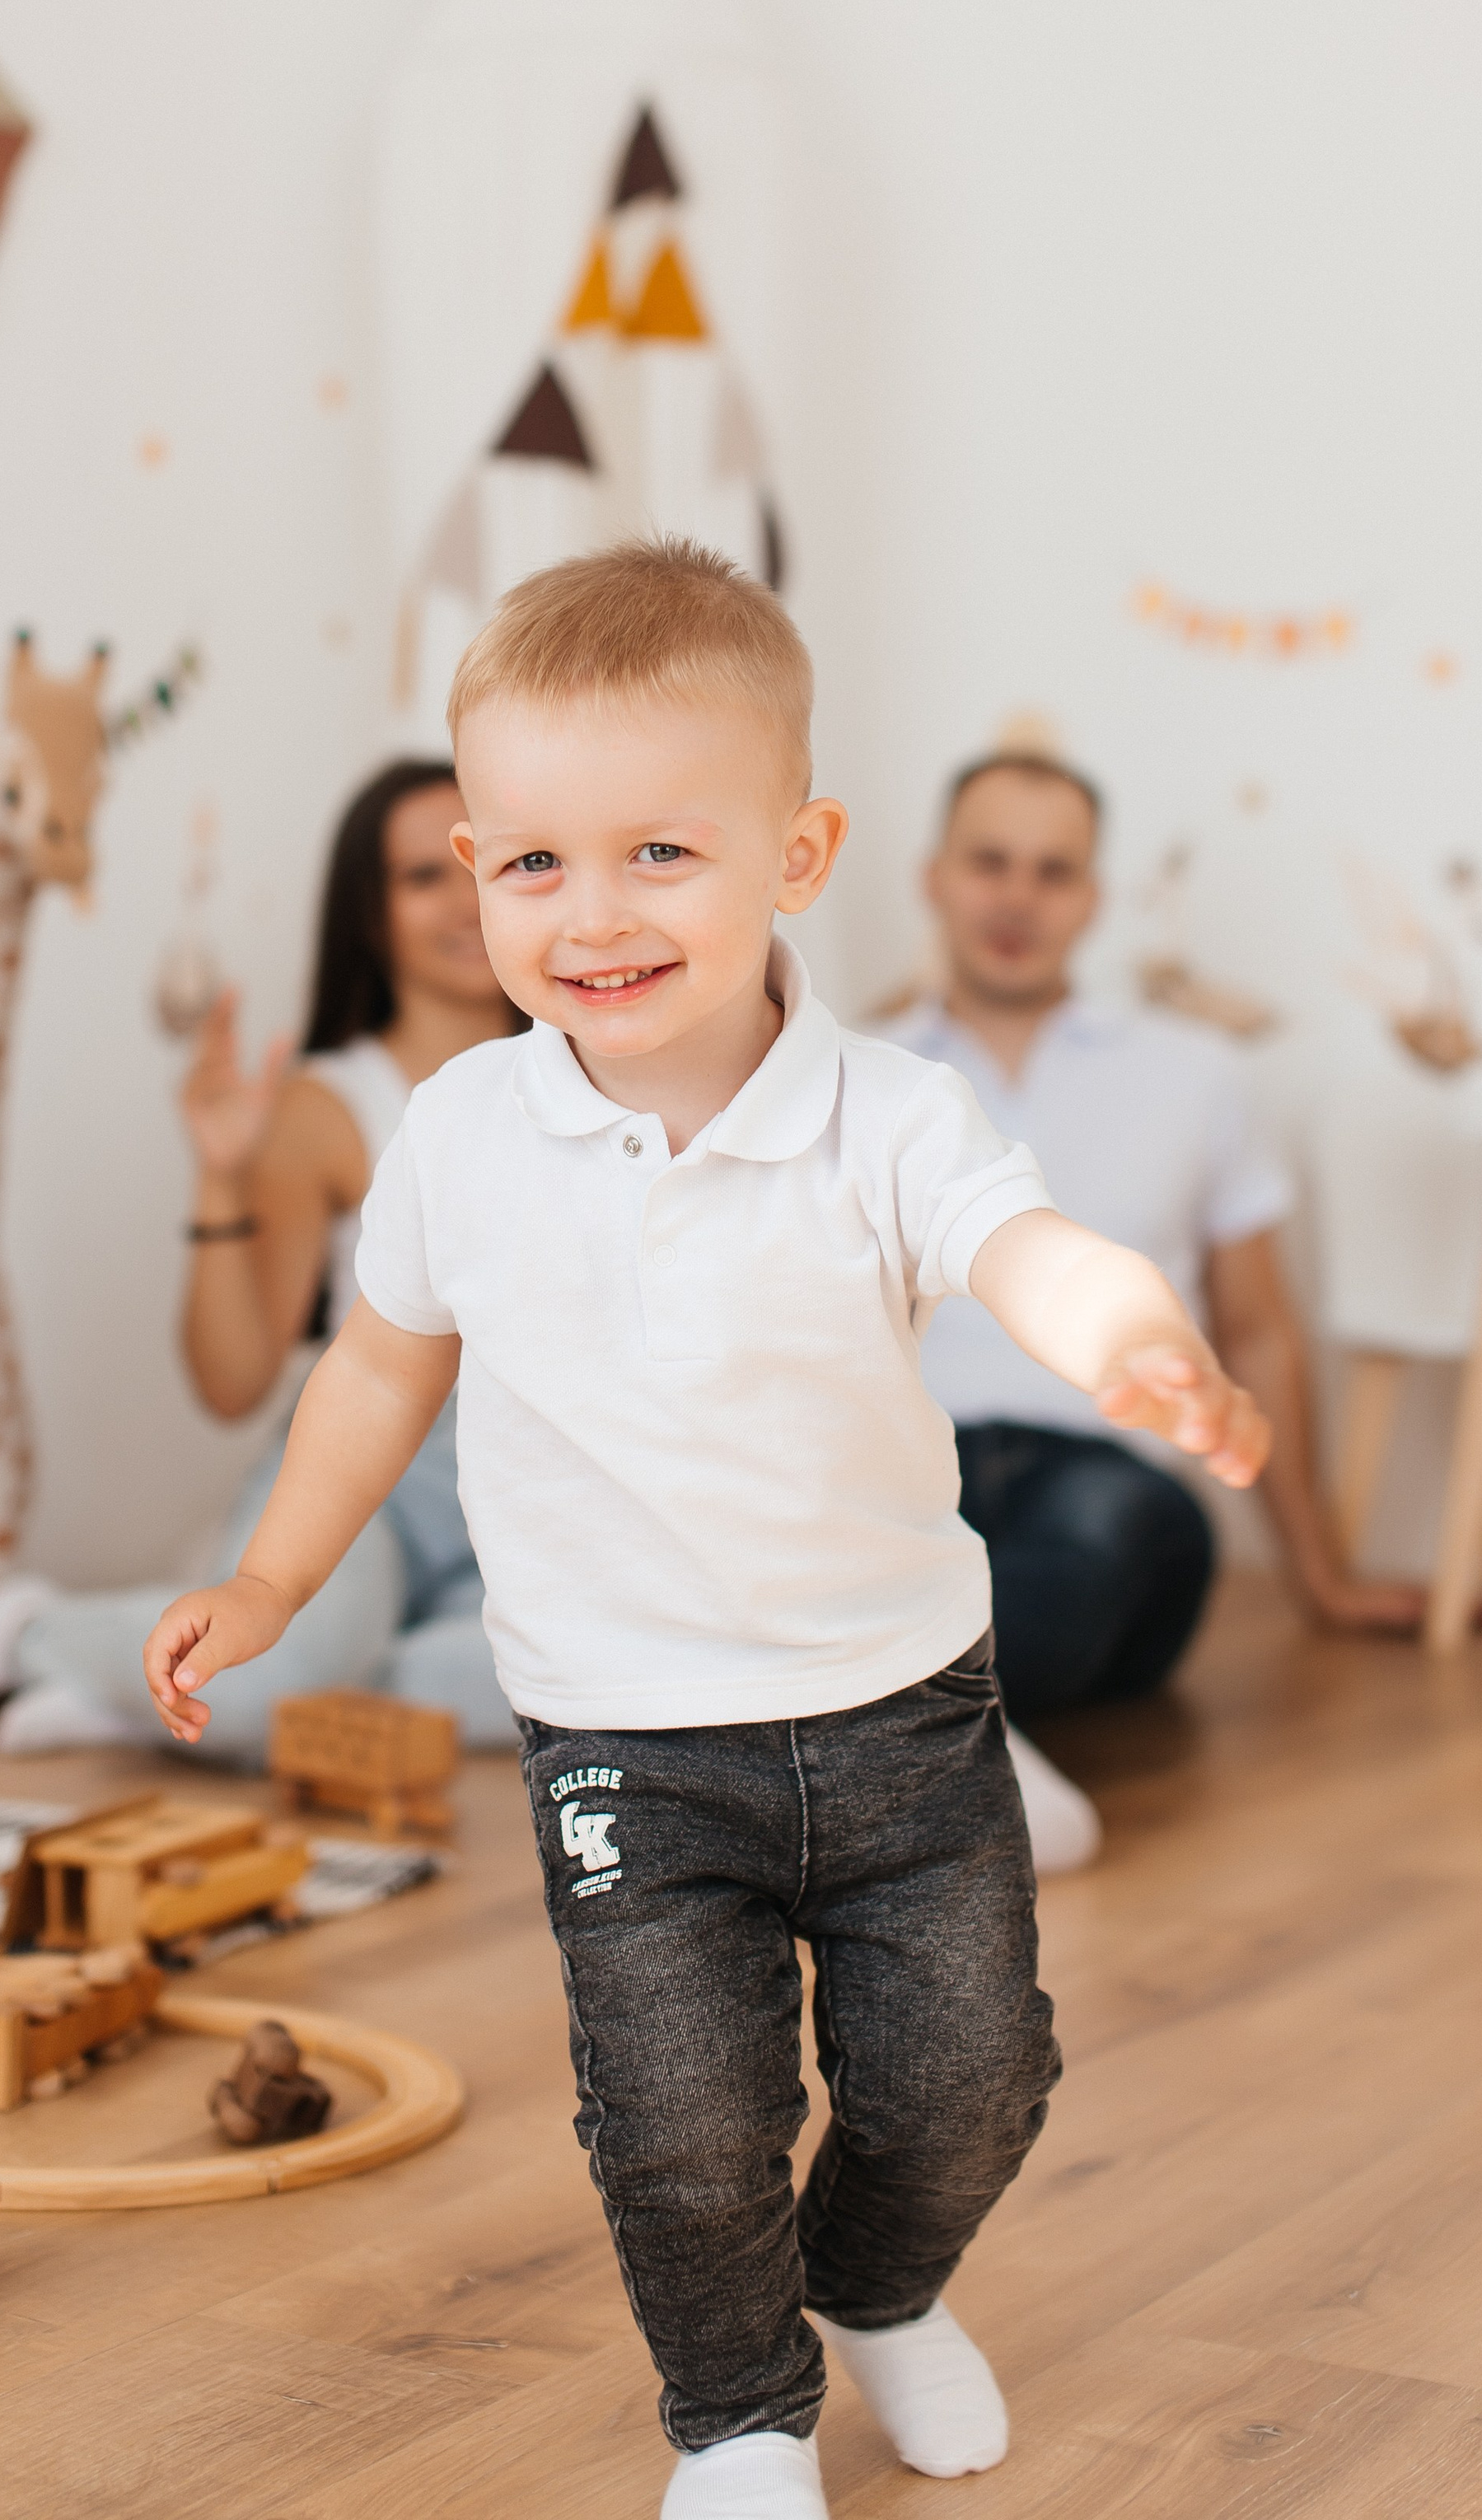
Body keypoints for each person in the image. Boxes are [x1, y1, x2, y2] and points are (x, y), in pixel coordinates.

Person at [144, 540, 1268, 2520]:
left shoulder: (886, 1115)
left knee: (971, 2077)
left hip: (901, 1715)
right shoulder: (460, 1135)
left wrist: (1131, 1338)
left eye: (659, 852)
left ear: (796, 854)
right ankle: (739, 2413)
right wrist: (266, 1577)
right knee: (677, 2124)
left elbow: (1025, 1248)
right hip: (624, 1740)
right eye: (532, 863)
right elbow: (374, 1371)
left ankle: (874, 2282)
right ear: (477, 869)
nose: (590, 914)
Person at [0, 758, 520, 1756]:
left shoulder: (596, 1088)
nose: (466, 898)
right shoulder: (331, 1108)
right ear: (369, 914)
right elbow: (233, 1383)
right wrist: (222, 1178)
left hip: (526, 1500)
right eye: (422, 876)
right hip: (378, 1493)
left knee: (604, 1684)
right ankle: (32, 1637)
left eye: (490, 860)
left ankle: (154, 1685)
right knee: (279, 1681)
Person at [885, 748, 1424, 1738]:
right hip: (906, 1468)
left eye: (1053, 872)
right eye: (990, 862)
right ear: (935, 878)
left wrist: (1321, 1578)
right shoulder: (851, 1079)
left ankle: (871, 1727)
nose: (1017, 898)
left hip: (1103, 1475)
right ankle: (947, 1741)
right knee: (860, 1563)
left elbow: (1257, 1333)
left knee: (1097, 1553)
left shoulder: (1195, 1076)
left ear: (1092, 898)